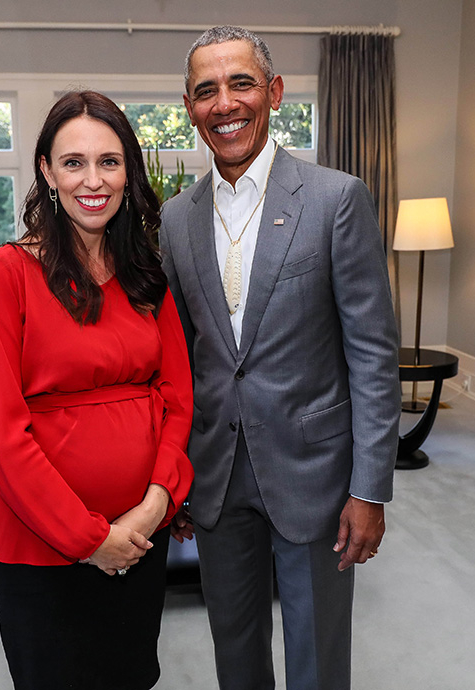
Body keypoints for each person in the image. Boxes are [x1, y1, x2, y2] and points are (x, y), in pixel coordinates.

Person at [159, 26, 401, 690]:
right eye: (206, 90)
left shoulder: (335, 200)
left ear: (274, 93)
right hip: (215, 476)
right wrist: (176, 470)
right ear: (189, 106)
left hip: (315, 475)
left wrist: (369, 488)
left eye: (240, 83)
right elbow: (180, 360)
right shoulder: (175, 219)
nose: (224, 103)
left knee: (316, 657)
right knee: (234, 651)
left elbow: (373, 357)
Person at [0, 90, 194, 690]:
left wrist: (156, 504)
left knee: (130, 679)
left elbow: (178, 398)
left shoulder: (148, 274)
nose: (92, 180)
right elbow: (0, 431)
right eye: (74, 162)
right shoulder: (7, 273)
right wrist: (91, 539)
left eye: (109, 161)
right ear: (46, 170)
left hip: (139, 542)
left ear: (129, 173)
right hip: (40, 553)